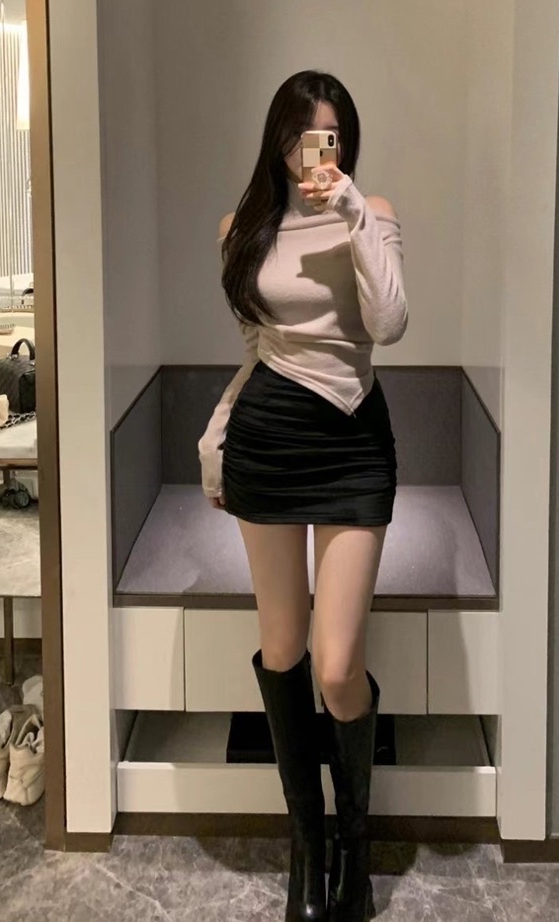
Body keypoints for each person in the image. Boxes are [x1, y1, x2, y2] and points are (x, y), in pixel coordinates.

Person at [198, 70, 408, 922]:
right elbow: (257, 345)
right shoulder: (240, 229)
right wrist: (221, 433)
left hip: (354, 442)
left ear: (345, 143)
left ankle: (355, 845)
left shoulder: (372, 212)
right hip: (270, 442)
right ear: (278, 141)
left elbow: (389, 325)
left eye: (331, 135)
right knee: (282, 649)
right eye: (302, 135)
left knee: (336, 665)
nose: (315, 151)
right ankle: (307, 845)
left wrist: (353, 211)